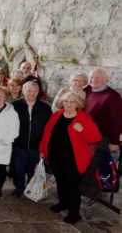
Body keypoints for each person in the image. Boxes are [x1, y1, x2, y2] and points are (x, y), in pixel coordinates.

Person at [39, 91, 101, 224]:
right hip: (56, 156)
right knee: (60, 182)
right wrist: (43, 150)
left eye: (73, 101)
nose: (69, 104)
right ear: (62, 102)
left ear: (78, 103)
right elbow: (47, 133)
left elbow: (96, 138)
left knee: (72, 186)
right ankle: (63, 203)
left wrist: (82, 130)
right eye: (66, 101)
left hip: (74, 159)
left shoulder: (83, 118)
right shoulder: (57, 115)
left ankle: (74, 213)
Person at [81, 68, 122, 206]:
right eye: (92, 77)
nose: (94, 80)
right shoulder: (86, 90)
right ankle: (80, 191)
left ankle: (90, 195)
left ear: (106, 79)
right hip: (83, 136)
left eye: (98, 77)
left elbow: (117, 120)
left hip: (100, 138)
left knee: (92, 166)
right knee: (81, 164)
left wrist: (114, 141)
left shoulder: (112, 96)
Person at [11, 81, 52, 197]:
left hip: (37, 146)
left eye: (35, 91)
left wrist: (44, 147)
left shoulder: (45, 108)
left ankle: (30, 188)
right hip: (19, 145)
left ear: (38, 92)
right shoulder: (15, 106)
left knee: (33, 170)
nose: (32, 93)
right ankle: (19, 188)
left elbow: (48, 129)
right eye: (29, 91)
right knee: (18, 169)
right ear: (23, 91)